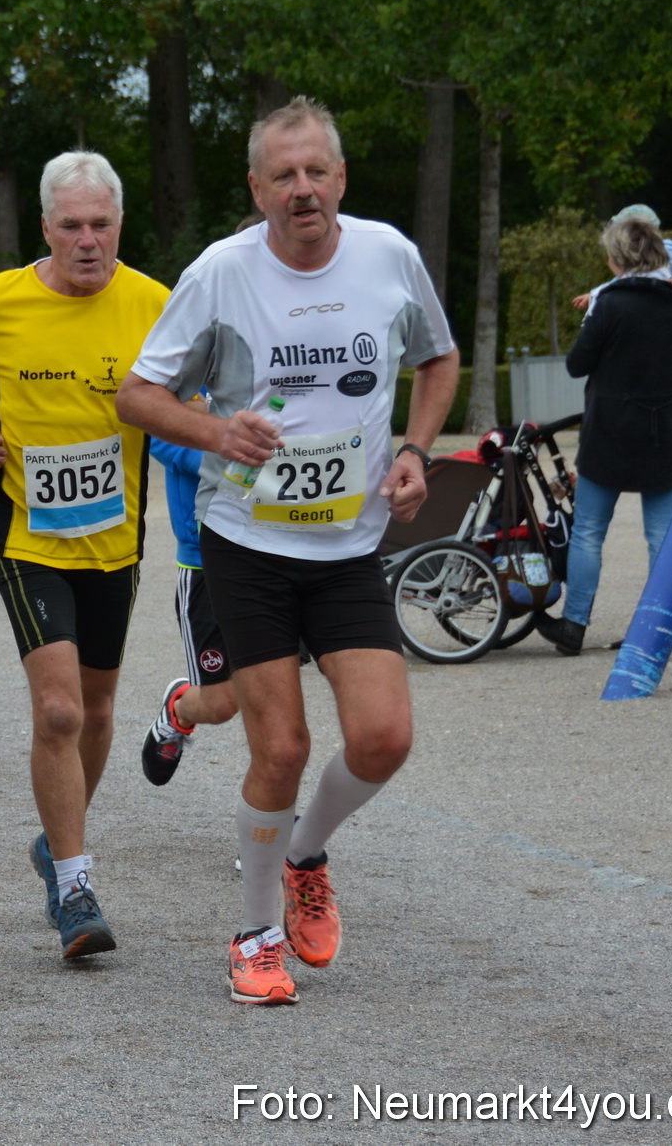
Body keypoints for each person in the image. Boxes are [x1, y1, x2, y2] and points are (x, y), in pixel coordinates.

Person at [116, 96, 460, 1005]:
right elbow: (137, 396)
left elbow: (439, 359)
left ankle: (308, 851)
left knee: (384, 737)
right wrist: (215, 432)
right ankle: (256, 930)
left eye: (317, 172)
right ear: (258, 188)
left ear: (340, 177)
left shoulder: (389, 255)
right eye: (284, 175)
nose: (303, 190)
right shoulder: (220, 272)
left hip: (348, 544)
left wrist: (417, 451)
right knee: (282, 745)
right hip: (250, 543)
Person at [0, 151, 168, 960]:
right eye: (71, 225)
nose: (88, 240)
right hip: (25, 531)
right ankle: (74, 883)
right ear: (45, 228)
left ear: (120, 226)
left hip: (116, 536)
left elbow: (188, 397)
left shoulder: (153, 303)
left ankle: (54, 842)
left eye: (101, 224)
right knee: (60, 708)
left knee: (97, 709)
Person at [536, 217, 672, 657]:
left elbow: (577, 364)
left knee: (589, 531)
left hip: (611, 430)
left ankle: (573, 627)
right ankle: (661, 626)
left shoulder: (610, 304)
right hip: (667, 429)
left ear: (619, 259)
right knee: (663, 535)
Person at [139, 427, 239, 784]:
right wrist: (236, 448)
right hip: (205, 562)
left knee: (274, 695)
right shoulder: (187, 377)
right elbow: (160, 433)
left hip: (281, 554)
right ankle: (178, 708)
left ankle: (275, 819)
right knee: (222, 704)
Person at [572, 204, 672, 313]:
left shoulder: (666, 247)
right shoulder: (632, 260)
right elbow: (620, 281)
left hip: (663, 294)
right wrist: (595, 294)